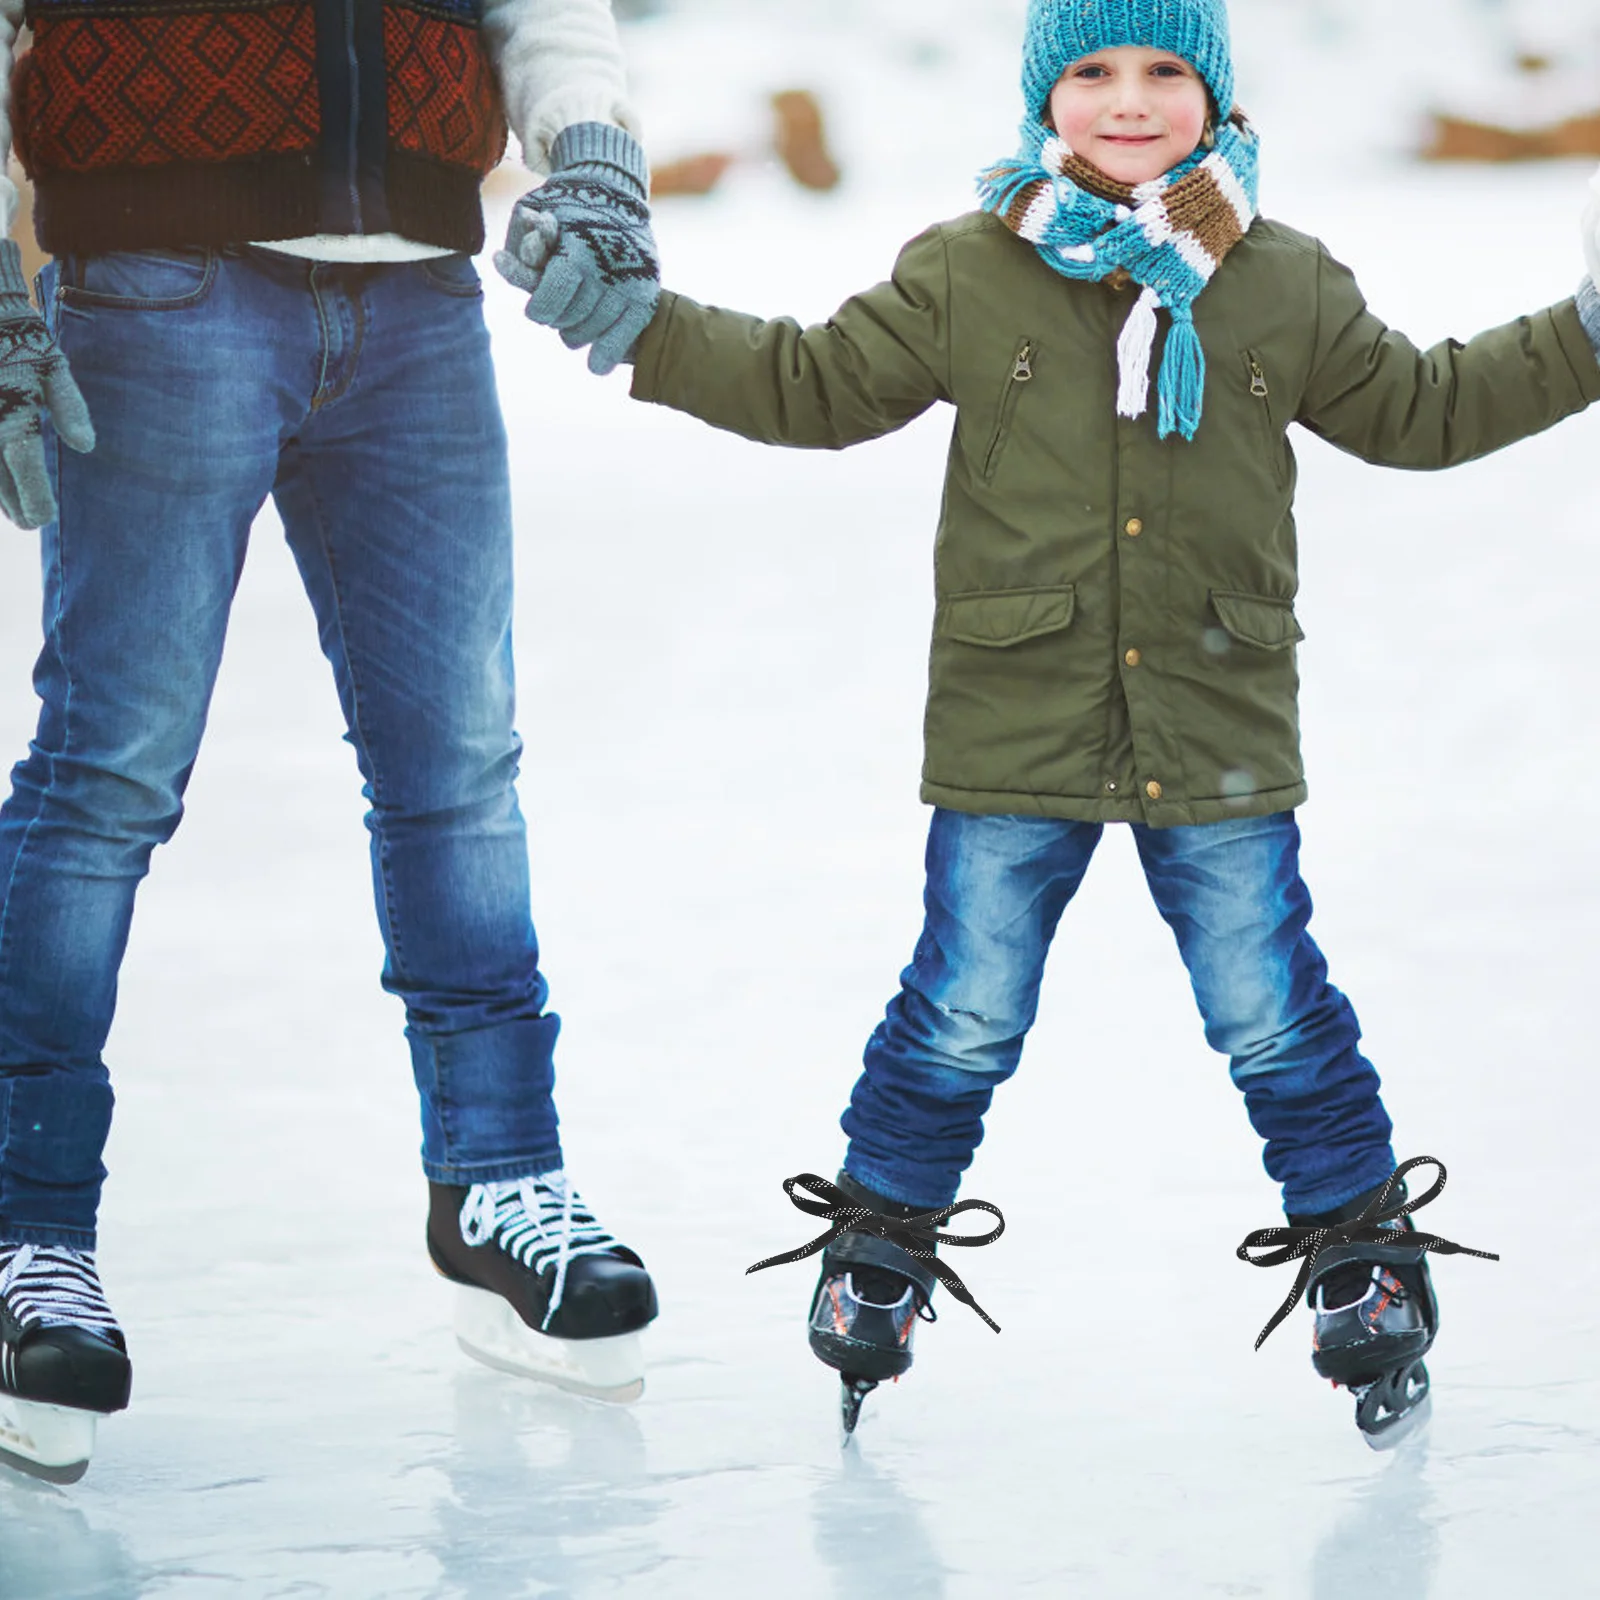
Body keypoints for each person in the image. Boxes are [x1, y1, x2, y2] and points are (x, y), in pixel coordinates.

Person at [498, 0, 1600, 1444]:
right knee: (963, 1006)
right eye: (1091, 71)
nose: (1128, 101)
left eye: (1162, 72)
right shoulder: (972, 270)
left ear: (1212, 95)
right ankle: (882, 1245)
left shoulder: (1280, 282)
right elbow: (811, 383)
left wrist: (1584, 334)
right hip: (1017, 725)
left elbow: (1428, 406)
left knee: (1270, 1006)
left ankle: (1362, 1259)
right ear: (1044, 97)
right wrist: (641, 322)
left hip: (1214, 716)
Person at [0, 0, 664, 1482]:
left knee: (459, 771)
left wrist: (594, 159)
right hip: (155, 294)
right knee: (107, 777)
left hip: (419, 305)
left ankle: (498, 1179)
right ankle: (25, 1230)